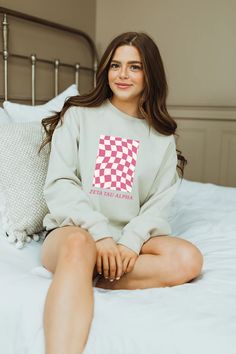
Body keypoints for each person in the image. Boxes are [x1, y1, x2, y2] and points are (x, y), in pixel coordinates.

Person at [40, 32, 203, 354]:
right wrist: (99, 235)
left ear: (150, 74)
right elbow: (60, 182)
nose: (122, 75)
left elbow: (159, 202)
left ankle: (89, 275)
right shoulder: (80, 115)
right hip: (76, 231)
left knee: (188, 259)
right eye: (115, 65)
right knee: (77, 243)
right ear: (105, 70)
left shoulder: (160, 136)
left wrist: (129, 241)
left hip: (127, 241)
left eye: (134, 67)